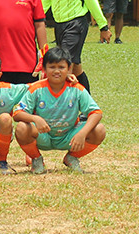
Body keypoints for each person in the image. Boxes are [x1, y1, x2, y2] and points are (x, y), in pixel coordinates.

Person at [14, 46, 105, 174]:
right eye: (52, 67)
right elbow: (17, 113)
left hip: (69, 136)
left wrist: (82, 133)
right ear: (44, 69)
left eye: (61, 67)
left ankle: (72, 157)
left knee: (99, 130)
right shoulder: (37, 89)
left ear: (69, 69)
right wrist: (35, 118)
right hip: (43, 136)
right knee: (22, 128)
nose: (57, 71)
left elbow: (96, 113)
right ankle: (36, 159)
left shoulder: (76, 88)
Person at [37, 0, 110, 91]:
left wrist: (103, 26)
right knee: (75, 66)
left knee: (62, 64)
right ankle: (88, 104)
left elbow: (91, 0)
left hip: (76, 24)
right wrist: (33, 18)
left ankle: (63, 107)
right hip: (59, 25)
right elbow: (44, 1)